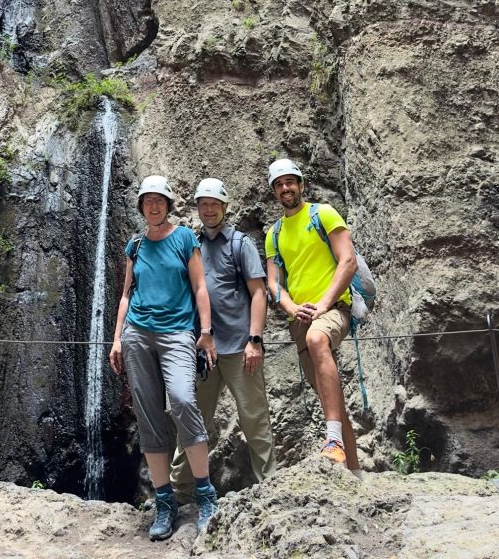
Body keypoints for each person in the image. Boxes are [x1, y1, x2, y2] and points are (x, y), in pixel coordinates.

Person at [109, 175, 220, 540]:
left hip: (177, 334)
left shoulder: (185, 238)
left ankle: (205, 494)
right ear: (140, 206)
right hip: (137, 335)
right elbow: (126, 294)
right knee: (149, 417)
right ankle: (164, 503)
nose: (153, 206)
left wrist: (205, 333)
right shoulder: (135, 245)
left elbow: (200, 286)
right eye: (147, 201)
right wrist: (117, 339)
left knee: (184, 401)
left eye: (159, 200)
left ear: (168, 204)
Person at [170, 178, 276, 502]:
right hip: (203, 351)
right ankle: (178, 494)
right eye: (203, 204)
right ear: (198, 208)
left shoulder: (240, 244)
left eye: (215, 203)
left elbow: (259, 293)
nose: (209, 209)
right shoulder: (192, 245)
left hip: (239, 348)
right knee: (192, 421)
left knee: (254, 417)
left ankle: (270, 490)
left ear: (225, 208)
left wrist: (255, 340)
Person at [264, 159, 360, 470]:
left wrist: (324, 304)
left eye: (290, 181)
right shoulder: (274, 234)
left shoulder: (324, 214)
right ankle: (355, 472)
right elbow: (273, 283)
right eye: (279, 184)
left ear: (301, 184)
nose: (285, 188)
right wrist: (292, 307)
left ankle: (331, 441)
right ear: (274, 192)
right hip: (300, 320)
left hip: (333, 308)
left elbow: (348, 261)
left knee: (318, 339)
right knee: (329, 397)